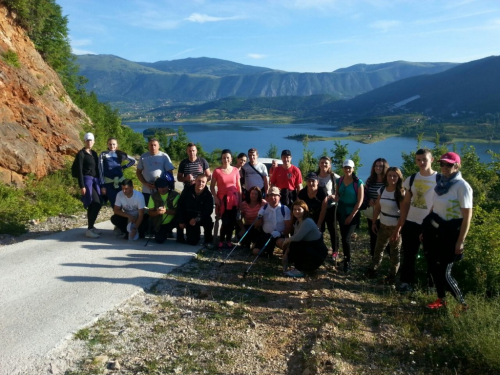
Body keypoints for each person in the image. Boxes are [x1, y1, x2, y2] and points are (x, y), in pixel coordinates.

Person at [422, 152, 472, 311]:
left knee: (445, 272)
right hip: (436, 230)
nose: (444, 167)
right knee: (434, 267)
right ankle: (441, 300)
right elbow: (434, 207)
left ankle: (462, 305)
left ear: (457, 166)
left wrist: (460, 240)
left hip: (451, 233)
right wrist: (426, 229)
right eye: (442, 164)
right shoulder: (440, 184)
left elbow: (467, 216)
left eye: (448, 164)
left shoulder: (462, 186)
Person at [392, 148, 437, 293]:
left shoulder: (440, 180)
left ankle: (431, 286)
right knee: (409, 255)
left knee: (431, 257)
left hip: (430, 225)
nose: (421, 162)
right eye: (419, 160)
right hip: (411, 222)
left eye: (424, 159)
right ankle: (406, 283)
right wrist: (401, 223)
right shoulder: (411, 179)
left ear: (432, 160)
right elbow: (405, 203)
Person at [365, 167, 405, 284]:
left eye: (394, 176)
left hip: (395, 227)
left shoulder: (401, 192)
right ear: (386, 177)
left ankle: (392, 275)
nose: (392, 178)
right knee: (378, 250)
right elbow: (378, 207)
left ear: (399, 177)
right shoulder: (382, 190)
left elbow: (403, 214)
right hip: (382, 224)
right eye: (389, 175)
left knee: (394, 253)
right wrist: (373, 222)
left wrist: (397, 230)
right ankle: (373, 270)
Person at [282, 200, 328, 277]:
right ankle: (297, 267)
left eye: (299, 209)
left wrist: (286, 241)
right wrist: (286, 254)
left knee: (296, 245)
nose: (296, 211)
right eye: (294, 209)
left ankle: (301, 270)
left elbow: (297, 238)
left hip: (316, 252)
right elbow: (294, 239)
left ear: (304, 210)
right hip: (308, 248)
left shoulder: (307, 221)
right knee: (293, 245)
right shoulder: (297, 223)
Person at [177, 142, 211, 242]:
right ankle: (180, 235)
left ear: (196, 151)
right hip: (188, 190)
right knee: (182, 207)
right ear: (187, 152)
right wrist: (185, 178)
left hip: (201, 190)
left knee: (206, 215)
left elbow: (209, 176)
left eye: (193, 150)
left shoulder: (202, 161)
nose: (192, 152)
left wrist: (201, 183)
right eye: (190, 151)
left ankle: (208, 239)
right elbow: (179, 178)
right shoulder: (183, 163)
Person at [335, 159, 364, 272]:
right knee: (343, 237)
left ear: (353, 169)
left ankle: (348, 262)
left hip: (352, 213)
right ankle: (346, 258)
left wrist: (351, 216)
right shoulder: (340, 180)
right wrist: (336, 197)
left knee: (346, 238)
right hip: (341, 211)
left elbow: (360, 201)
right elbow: (337, 194)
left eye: (349, 168)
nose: (347, 169)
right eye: (345, 167)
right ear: (343, 168)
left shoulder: (358, 183)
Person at [210, 149, 242, 249]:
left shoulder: (236, 170)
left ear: (231, 159)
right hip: (222, 200)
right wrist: (215, 198)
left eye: (228, 157)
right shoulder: (217, 171)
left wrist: (240, 201)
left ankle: (228, 240)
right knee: (224, 221)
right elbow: (211, 186)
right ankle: (221, 240)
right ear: (221, 159)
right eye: (224, 157)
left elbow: (238, 187)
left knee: (232, 222)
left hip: (233, 200)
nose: (226, 159)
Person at [74, 132, 102, 238]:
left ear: (94, 141)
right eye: (87, 140)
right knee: (95, 203)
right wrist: (82, 186)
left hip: (95, 181)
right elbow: (79, 171)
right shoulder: (81, 154)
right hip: (87, 181)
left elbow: (97, 169)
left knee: (94, 204)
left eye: (91, 140)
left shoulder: (93, 153)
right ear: (84, 141)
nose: (89, 142)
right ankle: (90, 229)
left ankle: (91, 227)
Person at [253, 187, 292, 256]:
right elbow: (257, 225)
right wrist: (259, 216)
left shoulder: (285, 209)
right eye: (270, 195)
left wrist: (280, 233)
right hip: (266, 235)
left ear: (279, 197)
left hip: (279, 236)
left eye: (275, 195)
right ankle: (268, 253)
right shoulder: (263, 208)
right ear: (267, 197)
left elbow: (289, 227)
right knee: (255, 251)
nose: (272, 197)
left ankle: (287, 253)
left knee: (283, 243)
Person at [98, 137, 136, 209]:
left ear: (117, 145)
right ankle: (118, 219)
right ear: (107, 145)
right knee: (115, 204)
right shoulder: (103, 154)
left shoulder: (120, 154)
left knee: (125, 203)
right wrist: (102, 186)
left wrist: (123, 167)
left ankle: (126, 219)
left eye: (113, 144)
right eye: (110, 144)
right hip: (109, 184)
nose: (112, 146)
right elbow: (100, 170)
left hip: (121, 183)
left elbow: (133, 161)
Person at [177, 174, 215, 247]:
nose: (200, 183)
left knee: (208, 221)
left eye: (203, 182)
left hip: (200, 217)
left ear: (206, 183)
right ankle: (180, 237)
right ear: (195, 181)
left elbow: (208, 211)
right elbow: (180, 206)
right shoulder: (187, 190)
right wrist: (181, 221)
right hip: (188, 216)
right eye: (199, 181)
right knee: (192, 242)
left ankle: (208, 239)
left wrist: (197, 219)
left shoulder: (208, 195)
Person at [136, 138, 175, 205]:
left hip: (161, 190)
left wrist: (161, 184)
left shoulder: (164, 156)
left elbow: (170, 174)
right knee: (148, 210)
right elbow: (138, 172)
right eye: (151, 145)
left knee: (160, 209)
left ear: (158, 146)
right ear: (148, 146)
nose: (153, 147)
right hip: (147, 190)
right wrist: (145, 183)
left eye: (155, 145)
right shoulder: (143, 157)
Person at [363, 158, 389, 257]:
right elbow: (365, 193)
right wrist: (369, 200)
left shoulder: (388, 180)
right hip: (372, 212)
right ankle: (374, 259)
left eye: (380, 166)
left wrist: (380, 202)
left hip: (385, 212)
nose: (378, 168)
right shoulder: (370, 180)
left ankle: (390, 259)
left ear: (384, 167)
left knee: (385, 237)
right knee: (373, 236)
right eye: (376, 166)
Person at [316, 156, 340, 253]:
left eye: (326, 163)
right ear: (319, 164)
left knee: (333, 230)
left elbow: (344, 185)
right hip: (318, 207)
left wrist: (336, 195)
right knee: (319, 229)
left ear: (329, 165)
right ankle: (321, 249)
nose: (324, 164)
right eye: (322, 162)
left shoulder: (334, 176)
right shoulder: (315, 176)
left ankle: (335, 251)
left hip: (331, 207)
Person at [146, 177, 180, 244]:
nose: (162, 189)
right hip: (160, 222)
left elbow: (179, 212)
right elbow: (150, 212)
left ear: (168, 186)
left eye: (164, 187)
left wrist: (166, 211)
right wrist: (157, 212)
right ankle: (165, 232)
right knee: (159, 240)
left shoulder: (175, 195)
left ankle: (180, 236)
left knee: (181, 219)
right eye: (159, 187)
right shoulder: (153, 196)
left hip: (173, 221)